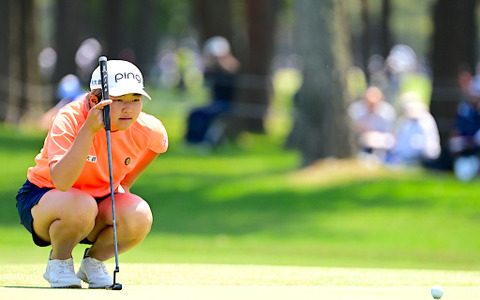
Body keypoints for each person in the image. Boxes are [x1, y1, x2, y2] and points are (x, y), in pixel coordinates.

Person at [15, 60, 168, 288]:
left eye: (135, 100)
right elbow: (62, 181)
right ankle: (59, 262)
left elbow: (159, 145)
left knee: (140, 215)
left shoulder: (148, 128)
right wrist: (88, 130)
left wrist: (124, 185)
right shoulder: (69, 118)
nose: (129, 108)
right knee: (82, 205)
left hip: (98, 203)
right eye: (118, 101)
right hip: (45, 198)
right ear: (95, 100)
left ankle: (93, 263)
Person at [185, 36, 240, 147]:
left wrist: (218, 63)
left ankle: (203, 142)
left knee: (201, 115)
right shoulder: (214, 69)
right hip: (215, 103)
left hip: (225, 105)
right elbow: (207, 78)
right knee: (194, 113)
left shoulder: (231, 67)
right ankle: (192, 141)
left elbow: (227, 79)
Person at [387, 92, 441, 166]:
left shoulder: (426, 121)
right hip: (405, 158)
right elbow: (399, 144)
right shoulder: (403, 121)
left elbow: (426, 145)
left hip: (424, 158)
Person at [348, 86, 396, 163]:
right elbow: (354, 129)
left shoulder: (387, 111)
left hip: (381, 142)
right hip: (361, 142)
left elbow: (390, 131)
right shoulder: (356, 110)